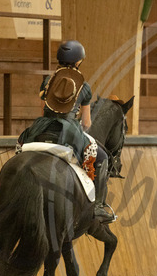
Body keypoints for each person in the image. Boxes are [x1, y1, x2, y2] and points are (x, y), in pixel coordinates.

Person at [18, 40, 115, 223]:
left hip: (43, 126)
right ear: (78, 61)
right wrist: (77, 127)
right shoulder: (84, 86)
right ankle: (98, 207)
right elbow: (86, 122)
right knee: (102, 158)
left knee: (21, 147)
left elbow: (43, 111)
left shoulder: (47, 82)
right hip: (69, 129)